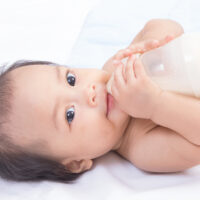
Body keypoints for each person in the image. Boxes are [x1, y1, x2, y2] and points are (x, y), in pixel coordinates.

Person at [0, 19, 199, 183]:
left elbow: (163, 25)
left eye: (71, 79)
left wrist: (151, 46)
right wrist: (156, 105)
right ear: (75, 163)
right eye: (70, 114)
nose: (89, 92)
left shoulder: (114, 70)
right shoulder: (143, 148)